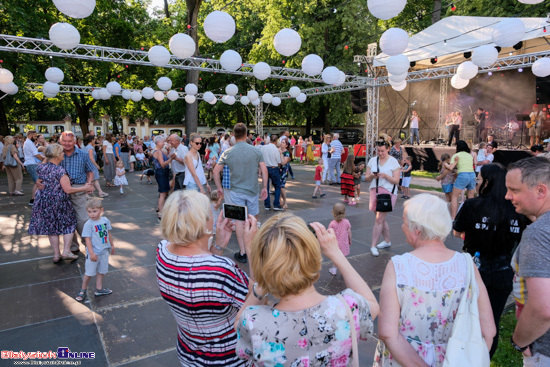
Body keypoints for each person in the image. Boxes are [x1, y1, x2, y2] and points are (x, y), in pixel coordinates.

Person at [235, 213, 379, 366]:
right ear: (314, 256)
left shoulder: (253, 322)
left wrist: (261, 277)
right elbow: (373, 305)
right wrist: (336, 254)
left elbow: (237, 323)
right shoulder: (349, 307)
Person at [376, 194, 496, 366]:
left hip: (404, 359)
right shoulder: (468, 265)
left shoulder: (399, 266)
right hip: (454, 358)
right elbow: (489, 330)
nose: (402, 226)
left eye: (404, 222)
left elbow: (388, 333)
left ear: (416, 229)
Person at [156, 190, 249, 367]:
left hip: (188, 352)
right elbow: (258, 301)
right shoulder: (222, 269)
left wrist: (218, 245)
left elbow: (197, 273)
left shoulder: (162, 252)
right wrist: (251, 246)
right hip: (226, 358)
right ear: (205, 222)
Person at [453, 163, 529, 358]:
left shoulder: (471, 205)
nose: (477, 183)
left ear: (487, 182)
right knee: (492, 320)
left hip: (472, 270)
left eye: (478, 179)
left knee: (464, 316)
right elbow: (521, 238)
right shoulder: (516, 209)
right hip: (503, 272)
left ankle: (461, 356)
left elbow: (456, 232)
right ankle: (483, 359)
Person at [506, 156, 550, 364]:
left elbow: (543, 308)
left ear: (540, 191)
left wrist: (519, 341)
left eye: (514, 190)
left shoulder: (538, 234)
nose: (507, 196)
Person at [213, 122, 268, 264]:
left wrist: (219, 186)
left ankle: (243, 252)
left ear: (234, 135)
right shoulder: (256, 150)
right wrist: (265, 187)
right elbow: (265, 170)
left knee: (239, 221)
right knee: (253, 220)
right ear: (245, 134)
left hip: (236, 191)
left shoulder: (228, 152)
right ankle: (254, 250)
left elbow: (215, 170)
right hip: (252, 191)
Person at [28, 144, 93, 263]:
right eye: (61, 153)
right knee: (69, 223)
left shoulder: (41, 168)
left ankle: (56, 255)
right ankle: (67, 251)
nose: (63, 154)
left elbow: (40, 179)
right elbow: (68, 189)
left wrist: (38, 182)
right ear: (57, 155)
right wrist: (84, 188)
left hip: (44, 200)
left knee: (52, 227)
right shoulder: (60, 170)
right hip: (58, 201)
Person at [57, 131, 95, 254]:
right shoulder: (56, 155)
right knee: (67, 220)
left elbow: (90, 171)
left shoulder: (83, 154)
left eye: (70, 141)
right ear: (60, 141)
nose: (67, 144)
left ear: (75, 142)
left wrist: (88, 184)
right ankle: (72, 247)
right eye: (64, 141)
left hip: (79, 189)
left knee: (82, 219)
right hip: (60, 190)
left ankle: (87, 243)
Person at [365, 140, 401, 256]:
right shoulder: (372, 160)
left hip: (388, 192)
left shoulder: (393, 162)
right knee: (380, 218)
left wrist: (385, 176)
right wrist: (372, 175)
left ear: (388, 149)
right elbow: (366, 178)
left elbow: (396, 181)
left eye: (382, 151)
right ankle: (387, 241)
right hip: (374, 190)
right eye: (378, 151)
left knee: (379, 219)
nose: (380, 153)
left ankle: (373, 246)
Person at [75, 198, 115, 302]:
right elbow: (87, 240)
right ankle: (82, 290)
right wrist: (91, 253)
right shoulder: (88, 224)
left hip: (104, 252)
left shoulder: (105, 220)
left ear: (101, 210)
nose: (92, 214)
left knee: (101, 271)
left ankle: (99, 289)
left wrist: (112, 245)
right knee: (89, 273)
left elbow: (108, 233)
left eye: (94, 211)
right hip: (94, 253)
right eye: (89, 212)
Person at [448, 140, 477, 219]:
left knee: (454, 197)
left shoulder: (456, 155)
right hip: (472, 175)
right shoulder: (469, 155)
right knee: (471, 197)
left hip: (463, 175)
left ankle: (453, 218)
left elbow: (451, 167)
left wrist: (444, 165)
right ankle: (471, 217)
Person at [151, 135, 173, 220]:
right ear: (159, 142)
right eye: (163, 142)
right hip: (161, 173)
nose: (164, 143)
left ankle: (161, 209)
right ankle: (160, 212)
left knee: (163, 193)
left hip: (161, 173)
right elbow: (163, 164)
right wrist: (171, 159)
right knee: (162, 194)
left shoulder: (158, 151)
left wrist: (168, 151)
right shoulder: (158, 152)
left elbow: (166, 156)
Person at [328, 203, 352, 275]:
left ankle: (334, 269)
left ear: (333, 213)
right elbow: (349, 233)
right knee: (343, 257)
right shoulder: (346, 222)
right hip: (344, 243)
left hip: (335, 244)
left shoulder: (332, 224)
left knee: (336, 258)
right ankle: (343, 270)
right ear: (344, 212)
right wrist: (349, 240)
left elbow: (329, 234)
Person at [260, 134, 283, 211]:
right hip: (274, 168)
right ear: (276, 141)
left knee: (265, 186)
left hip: (264, 168)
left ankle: (267, 204)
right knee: (277, 186)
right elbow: (279, 162)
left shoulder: (263, 148)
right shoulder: (276, 150)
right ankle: (276, 204)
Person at [23, 130, 45, 206]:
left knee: (38, 182)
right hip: (32, 164)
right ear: (30, 135)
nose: (36, 138)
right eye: (35, 136)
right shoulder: (29, 143)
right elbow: (37, 155)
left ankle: (34, 199)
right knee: (38, 182)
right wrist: (45, 160)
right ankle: (33, 199)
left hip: (31, 164)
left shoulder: (28, 142)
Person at [279, 138, 292, 209]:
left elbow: (283, 162)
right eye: (281, 142)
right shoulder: (279, 150)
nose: (281, 143)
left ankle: (285, 202)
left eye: (283, 143)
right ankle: (279, 201)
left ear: (286, 145)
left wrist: (280, 153)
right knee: (277, 186)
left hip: (284, 171)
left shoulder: (286, 153)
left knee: (282, 186)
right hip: (278, 170)